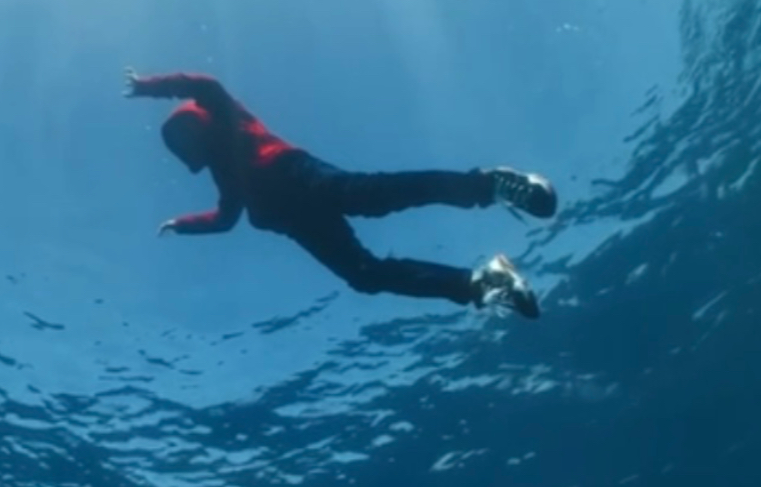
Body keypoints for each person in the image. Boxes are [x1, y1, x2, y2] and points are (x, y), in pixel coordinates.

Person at [123, 68, 557, 319]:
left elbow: (206, 86)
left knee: (369, 196)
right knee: (363, 276)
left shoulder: (227, 120)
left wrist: (150, 87)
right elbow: (225, 219)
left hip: (297, 176)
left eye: (183, 137)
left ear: (194, 124)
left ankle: (488, 185)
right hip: (298, 223)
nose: (186, 148)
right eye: (179, 147)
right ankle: (479, 282)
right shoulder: (224, 178)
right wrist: (181, 225)